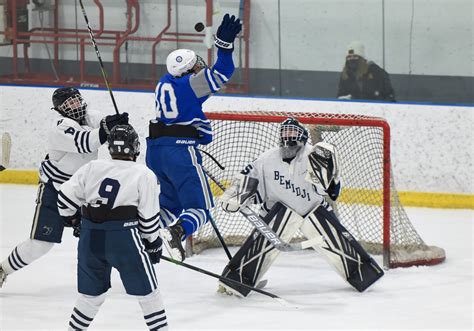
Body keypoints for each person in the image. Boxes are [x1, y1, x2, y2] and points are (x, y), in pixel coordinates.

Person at [217, 117, 384, 297]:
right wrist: (235, 196)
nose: (288, 136)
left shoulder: (314, 155)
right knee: (258, 249)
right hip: (276, 214)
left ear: (302, 136)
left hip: (312, 213)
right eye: (285, 132)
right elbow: (248, 180)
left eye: (292, 132)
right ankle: (237, 279)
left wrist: (333, 179)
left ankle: (363, 272)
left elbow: (333, 192)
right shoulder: (267, 158)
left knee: (339, 243)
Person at [0, 87, 128, 288]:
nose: (76, 106)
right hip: (55, 190)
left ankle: (110, 275)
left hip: (83, 193)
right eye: (70, 104)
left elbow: (104, 124)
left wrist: (118, 126)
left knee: (100, 235)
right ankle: (3, 269)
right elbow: (86, 142)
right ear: (60, 109)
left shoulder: (89, 116)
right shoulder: (60, 126)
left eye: (77, 100)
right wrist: (107, 129)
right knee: (40, 245)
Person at [146, 14, 242, 262]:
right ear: (188, 71)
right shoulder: (190, 84)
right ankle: (177, 232)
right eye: (196, 65)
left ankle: (138, 233)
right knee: (201, 209)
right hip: (179, 152)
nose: (201, 67)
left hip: (156, 152)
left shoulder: (164, 82)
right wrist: (224, 46)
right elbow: (223, 71)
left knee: (170, 204)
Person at [58, 124, 167, 330]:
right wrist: (153, 243)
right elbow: (149, 218)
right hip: (124, 240)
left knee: (91, 296)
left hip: (90, 239)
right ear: (135, 146)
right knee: (149, 294)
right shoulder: (144, 173)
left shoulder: (92, 167)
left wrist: (73, 220)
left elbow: (64, 198)